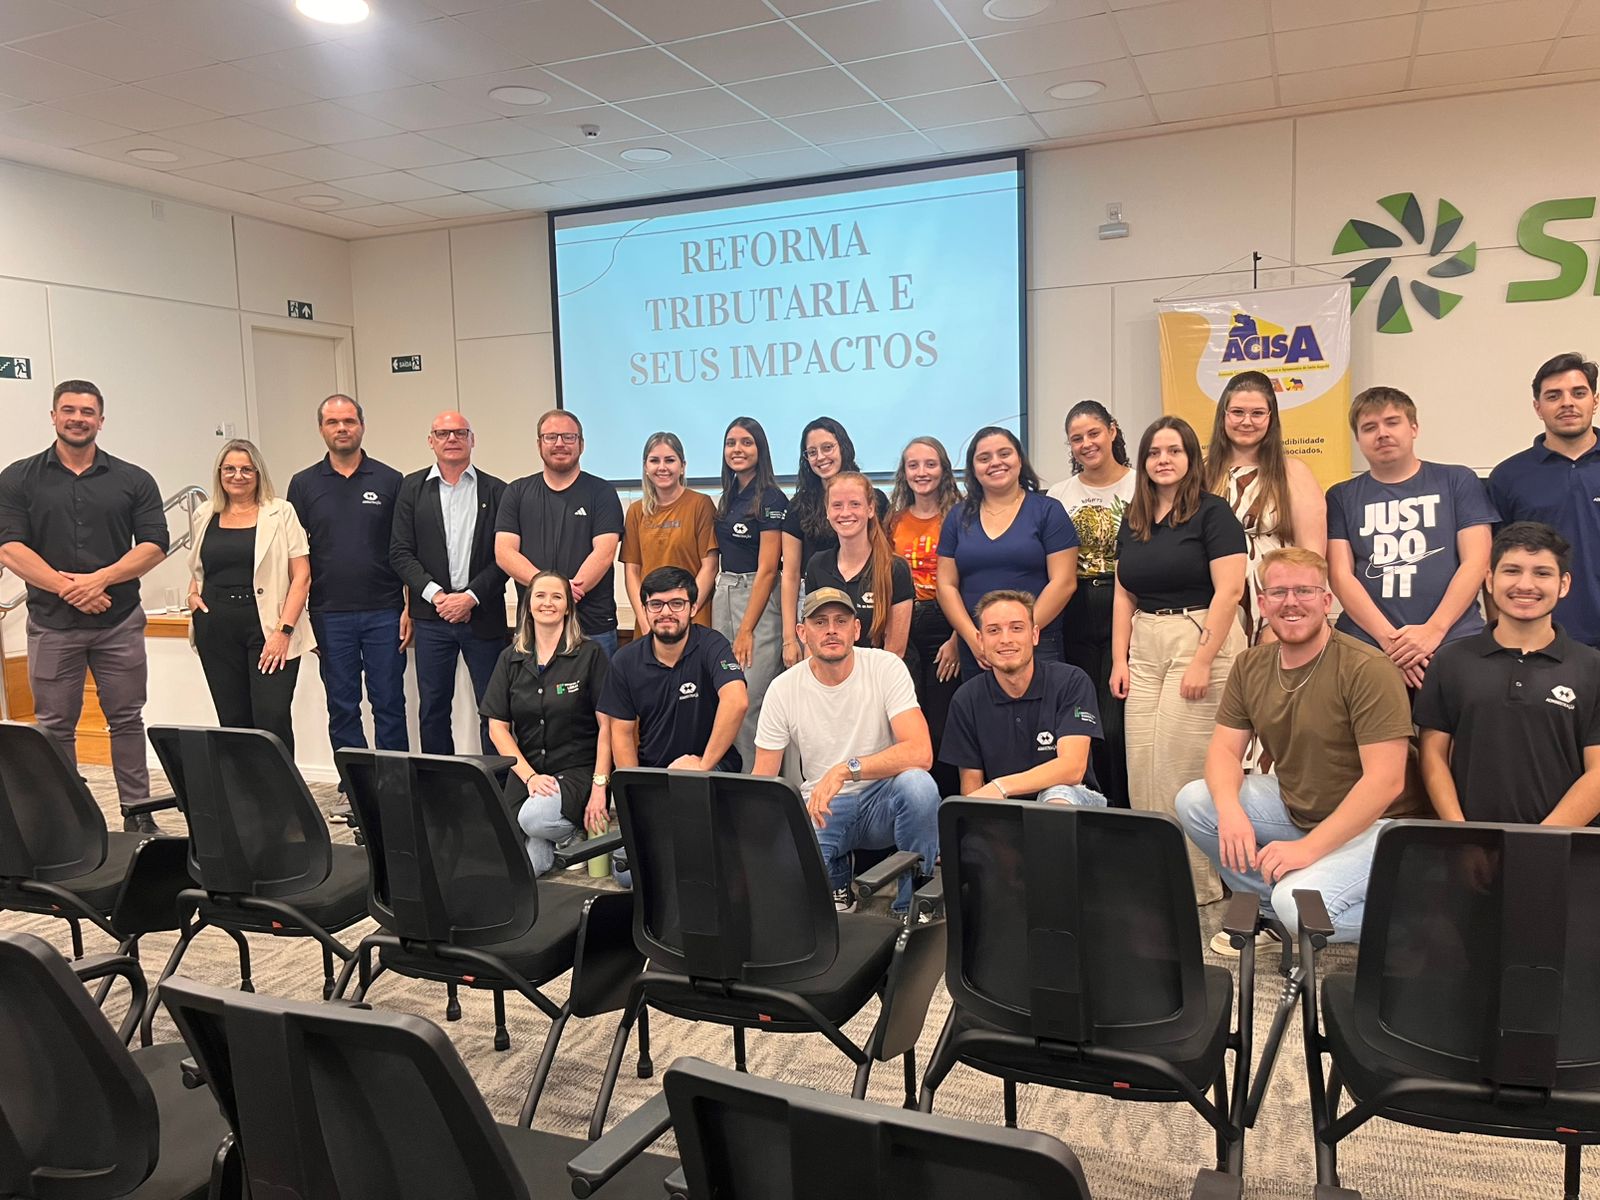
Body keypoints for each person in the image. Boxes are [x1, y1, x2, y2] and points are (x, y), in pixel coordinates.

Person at [1176, 547, 1426, 948]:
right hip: (1302, 808)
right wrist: (1231, 811)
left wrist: (1307, 850)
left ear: (1327, 601)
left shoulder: (1367, 668)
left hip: (1384, 825)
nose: (1291, 602)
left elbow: (1386, 782)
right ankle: (1271, 909)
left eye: (1305, 591)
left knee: (1299, 906)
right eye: (1278, 593)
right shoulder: (1250, 665)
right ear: (1262, 603)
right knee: (1197, 801)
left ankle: (1430, 914)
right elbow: (1224, 752)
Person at [0, 379, 169, 833]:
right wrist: (66, 587)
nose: (78, 418)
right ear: (53, 416)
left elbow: (155, 544)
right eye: (69, 410)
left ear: (101, 420)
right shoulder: (18, 477)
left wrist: (100, 579)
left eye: (88, 411)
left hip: (118, 622)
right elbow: (9, 546)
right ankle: (66, 821)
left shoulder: (133, 479)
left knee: (127, 720)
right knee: (55, 726)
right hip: (53, 625)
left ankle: (138, 816)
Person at [1110, 416, 1247, 904]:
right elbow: (1124, 593)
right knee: (1141, 767)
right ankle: (1156, 873)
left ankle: (1198, 888)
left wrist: (1204, 661)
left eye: (1173, 451)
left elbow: (1231, 590)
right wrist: (1119, 660)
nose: (1163, 460)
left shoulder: (1213, 514)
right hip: (1145, 643)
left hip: (1199, 635)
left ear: (1191, 459)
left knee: (1179, 768)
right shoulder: (1135, 518)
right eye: (1153, 452)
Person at [754, 588, 939, 916]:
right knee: (792, 899)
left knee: (919, 786)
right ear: (802, 633)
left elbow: (921, 752)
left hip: (883, 800)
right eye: (820, 622)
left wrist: (844, 769)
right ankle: (837, 877)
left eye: (841, 621)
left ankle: (914, 903)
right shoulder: (782, 689)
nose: (831, 630)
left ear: (856, 629)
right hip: (822, 808)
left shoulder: (886, 667)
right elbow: (762, 780)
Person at [1417, 522, 1600, 827]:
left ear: (1564, 584)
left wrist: (1542, 840)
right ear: (1489, 579)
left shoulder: (1592, 667)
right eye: (1512, 570)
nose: (1525, 585)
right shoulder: (1450, 661)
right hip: (1472, 848)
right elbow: (1433, 757)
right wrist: (1461, 834)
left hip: (1566, 850)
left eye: (1542, 573)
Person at [1325, 386, 1496, 689]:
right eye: (1369, 427)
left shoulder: (1457, 480)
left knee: (1454, 735)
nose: (1382, 433)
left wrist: (1433, 631)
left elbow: (1477, 561)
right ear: (1358, 439)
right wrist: (1391, 643)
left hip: (1454, 637)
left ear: (1413, 427)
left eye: (1392, 422)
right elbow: (1340, 575)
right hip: (1369, 644)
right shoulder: (1341, 496)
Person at [287, 394, 408, 819]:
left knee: (388, 701)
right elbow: (295, 557)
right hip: (328, 614)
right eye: (333, 422)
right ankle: (353, 787)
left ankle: (396, 785)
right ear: (321, 429)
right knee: (341, 704)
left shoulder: (392, 480)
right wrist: (301, 620)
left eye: (349, 421)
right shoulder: (303, 485)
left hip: (384, 610)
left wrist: (408, 606)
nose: (342, 428)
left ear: (362, 426)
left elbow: (404, 550)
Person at [390, 411, 509, 756]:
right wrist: (438, 596)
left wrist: (470, 597)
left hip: (483, 616)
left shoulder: (497, 490)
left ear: (473, 439)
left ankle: (499, 787)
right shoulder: (411, 489)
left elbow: (504, 557)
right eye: (443, 433)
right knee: (433, 708)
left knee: (494, 709)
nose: (451, 439)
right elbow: (399, 552)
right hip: (432, 618)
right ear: (431, 441)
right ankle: (439, 786)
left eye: (460, 432)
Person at [480, 570, 612, 875]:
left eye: (557, 597)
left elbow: (608, 726)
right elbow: (497, 726)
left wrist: (600, 787)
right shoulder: (510, 658)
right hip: (528, 771)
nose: (547, 603)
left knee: (533, 820)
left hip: (577, 771)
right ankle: (562, 845)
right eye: (540, 596)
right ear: (528, 605)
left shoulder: (590, 654)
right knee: (520, 864)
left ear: (568, 607)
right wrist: (529, 778)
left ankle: (569, 834)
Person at [185, 439, 311, 755]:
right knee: (233, 720)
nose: (237, 475)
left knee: (272, 718)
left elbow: (302, 576)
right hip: (216, 628)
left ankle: (283, 802)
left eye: (246, 469)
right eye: (229, 469)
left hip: (268, 627)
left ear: (258, 473)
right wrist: (192, 593)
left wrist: (284, 632)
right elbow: (200, 565)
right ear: (219, 473)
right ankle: (244, 802)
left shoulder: (281, 512)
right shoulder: (205, 513)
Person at [940, 590, 1106, 806]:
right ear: (980, 640)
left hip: (1073, 803)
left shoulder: (1071, 681)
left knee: (1057, 795)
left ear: (1035, 635)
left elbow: (1072, 768)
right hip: (1005, 811)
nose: (1006, 639)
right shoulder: (966, 698)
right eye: (993, 631)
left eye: (1017, 628)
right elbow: (972, 789)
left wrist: (1000, 786)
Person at [937, 426, 1078, 680]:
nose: (995, 463)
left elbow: (1064, 582)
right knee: (984, 717)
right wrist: (974, 638)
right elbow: (946, 585)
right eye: (984, 458)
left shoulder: (1048, 511)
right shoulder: (957, 517)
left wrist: (1021, 633)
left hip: (1038, 641)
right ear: (973, 468)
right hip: (977, 648)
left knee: (1041, 717)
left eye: (1004, 454)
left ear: (1019, 460)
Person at [1047, 401, 1134, 807]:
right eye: (1076, 438)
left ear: (1112, 431)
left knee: (1120, 725)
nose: (1086, 444)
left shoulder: (1140, 486)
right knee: (1086, 722)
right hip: (1075, 608)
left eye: (1093, 433)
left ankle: (1125, 810)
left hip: (1127, 605)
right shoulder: (1058, 495)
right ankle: (1093, 809)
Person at [1202, 371, 1327, 643]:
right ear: (1223, 415)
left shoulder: (1293, 472)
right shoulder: (1200, 473)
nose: (1247, 421)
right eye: (1237, 412)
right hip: (1211, 603)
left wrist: (1287, 613)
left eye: (1257, 413)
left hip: (1277, 603)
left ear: (1271, 419)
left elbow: (1311, 557)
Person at [1487, 353, 1600, 647]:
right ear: (1538, 407)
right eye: (1554, 396)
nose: (1567, 403)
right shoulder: (1508, 477)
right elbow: (1494, 564)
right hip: (1542, 641)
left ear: (1595, 400)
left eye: (1578, 393)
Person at [495, 409, 625, 656]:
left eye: (568, 437)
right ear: (539, 444)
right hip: (535, 625)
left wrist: (559, 594)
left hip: (593, 625)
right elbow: (504, 552)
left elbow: (604, 552)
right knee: (532, 695)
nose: (559, 444)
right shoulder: (517, 492)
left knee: (599, 695)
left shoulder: (602, 492)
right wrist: (552, 594)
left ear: (581, 444)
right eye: (551, 437)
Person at [599, 565, 748, 774]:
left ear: (693, 608)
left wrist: (703, 764)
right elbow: (621, 733)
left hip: (712, 768)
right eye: (656, 604)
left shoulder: (712, 645)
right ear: (644, 610)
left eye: (677, 604)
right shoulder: (625, 661)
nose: (666, 612)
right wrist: (633, 790)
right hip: (654, 773)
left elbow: (737, 701)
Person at [712, 416, 788, 773]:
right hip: (723, 594)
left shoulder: (771, 497)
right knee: (728, 697)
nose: (737, 450)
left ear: (760, 449)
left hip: (756, 600)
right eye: (731, 443)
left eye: (746, 442)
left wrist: (745, 629)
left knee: (751, 699)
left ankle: (763, 790)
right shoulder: (728, 497)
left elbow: (769, 568)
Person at [780, 417, 888, 668]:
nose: (821, 457)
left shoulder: (876, 498)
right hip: (815, 604)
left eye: (828, 447)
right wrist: (789, 638)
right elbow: (791, 574)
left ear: (843, 447)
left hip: (868, 596)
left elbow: (883, 554)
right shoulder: (798, 506)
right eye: (812, 452)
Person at [888, 436, 961, 795]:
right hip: (902, 624)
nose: (922, 472)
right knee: (906, 724)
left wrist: (958, 639)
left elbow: (970, 580)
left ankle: (946, 813)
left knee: (942, 726)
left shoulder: (961, 517)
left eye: (930, 464)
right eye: (913, 465)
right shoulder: (893, 520)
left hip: (945, 628)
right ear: (904, 473)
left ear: (944, 469)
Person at [804, 472, 913, 655]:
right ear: (827, 511)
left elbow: (895, 652)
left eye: (855, 504)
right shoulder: (817, 565)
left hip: (881, 678)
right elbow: (812, 642)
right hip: (831, 677)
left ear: (870, 509)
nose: (845, 513)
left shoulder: (894, 568)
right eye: (837, 505)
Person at [621, 431, 718, 632]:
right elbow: (632, 571)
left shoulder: (701, 504)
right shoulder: (636, 512)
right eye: (654, 460)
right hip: (651, 619)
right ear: (646, 467)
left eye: (670, 460)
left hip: (692, 617)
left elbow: (709, 567)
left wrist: (684, 611)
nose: (662, 467)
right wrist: (645, 617)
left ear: (682, 467)